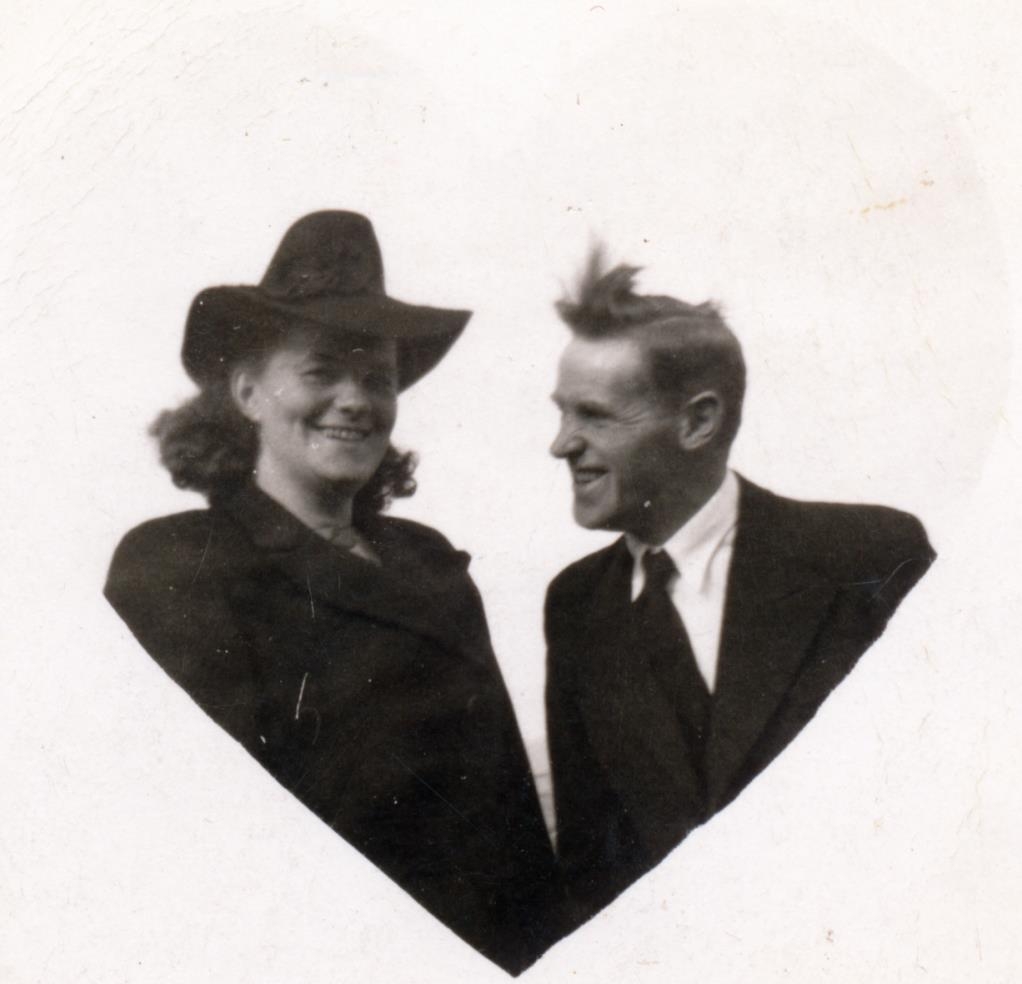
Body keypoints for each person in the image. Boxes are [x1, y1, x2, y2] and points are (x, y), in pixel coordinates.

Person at [105, 211, 559, 975]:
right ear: (247, 392)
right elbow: (198, 839)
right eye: (321, 372)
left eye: (377, 379)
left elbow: (511, 810)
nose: (355, 400)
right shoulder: (179, 564)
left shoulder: (431, 563)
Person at [544, 249, 936, 920]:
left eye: (595, 416)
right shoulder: (576, 604)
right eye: (562, 413)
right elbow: (590, 868)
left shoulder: (868, 557)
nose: (561, 444)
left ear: (698, 422)